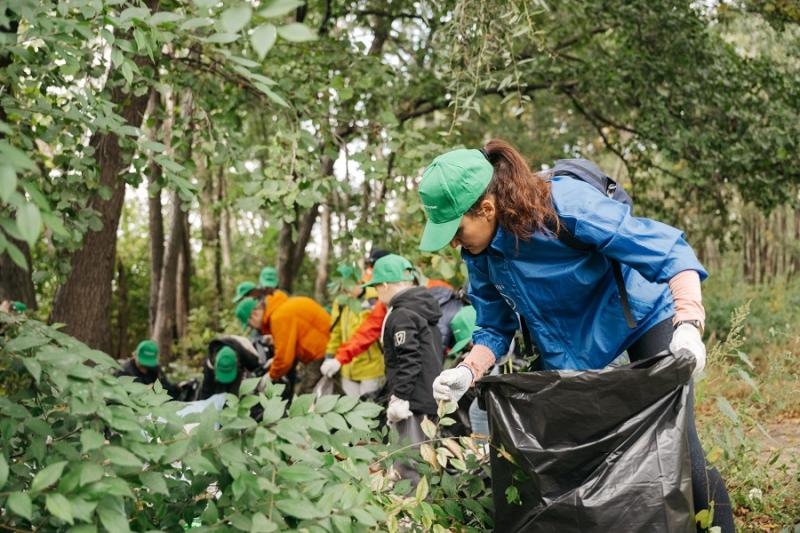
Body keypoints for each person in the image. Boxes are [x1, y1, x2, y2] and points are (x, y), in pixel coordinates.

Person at [419, 140, 734, 532]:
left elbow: (668, 250)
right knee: (577, 458)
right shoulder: (480, 255)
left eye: (455, 229)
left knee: (677, 447)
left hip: (641, 316)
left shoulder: (564, 205)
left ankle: (718, 523)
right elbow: (495, 326)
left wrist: (688, 324)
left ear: (487, 208)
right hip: (571, 347)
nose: (452, 242)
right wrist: (468, 370)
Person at [364, 254, 442, 483]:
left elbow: (409, 358)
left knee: (408, 461)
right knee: (420, 455)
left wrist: (400, 397)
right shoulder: (421, 309)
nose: (377, 295)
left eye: (377, 288)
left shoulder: (402, 315)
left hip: (413, 401)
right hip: (429, 395)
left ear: (385, 285)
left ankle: (410, 513)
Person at [237, 290, 331, 394]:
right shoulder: (281, 308)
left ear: (254, 314)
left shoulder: (279, 317)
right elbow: (291, 341)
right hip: (325, 348)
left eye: (250, 325)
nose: (253, 329)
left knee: (306, 397)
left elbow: (284, 360)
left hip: (322, 352)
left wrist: (270, 376)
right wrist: (275, 358)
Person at [320, 265, 385, 397]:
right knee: (351, 411)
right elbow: (336, 333)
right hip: (347, 368)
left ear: (358, 282)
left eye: (346, 287)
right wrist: (329, 358)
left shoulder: (375, 299)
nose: (344, 292)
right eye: (341, 288)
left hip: (371, 369)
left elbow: (369, 333)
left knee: (370, 411)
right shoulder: (341, 302)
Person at [198, 336, 264, 399]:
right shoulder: (210, 362)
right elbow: (206, 390)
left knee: (234, 395)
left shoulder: (243, 354)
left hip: (241, 352)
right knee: (217, 391)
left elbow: (256, 367)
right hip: (222, 363)